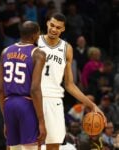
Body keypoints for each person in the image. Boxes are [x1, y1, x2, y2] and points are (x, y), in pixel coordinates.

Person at [37, 12, 106, 150]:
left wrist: (91, 105)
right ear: (47, 24)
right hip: (35, 97)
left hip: (55, 100)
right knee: (33, 144)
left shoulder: (66, 48)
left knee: (54, 145)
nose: (54, 29)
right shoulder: (35, 41)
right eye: (52, 25)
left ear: (62, 29)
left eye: (58, 27)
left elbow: (69, 84)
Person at [0, 21, 46, 150]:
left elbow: (0, 89)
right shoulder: (38, 53)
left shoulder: (5, 52)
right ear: (35, 35)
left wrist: (6, 118)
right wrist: (41, 121)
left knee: (14, 148)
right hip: (26, 104)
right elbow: (35, 89)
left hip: (8, 104)